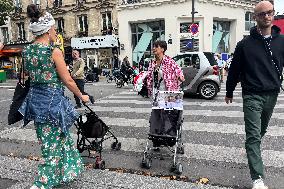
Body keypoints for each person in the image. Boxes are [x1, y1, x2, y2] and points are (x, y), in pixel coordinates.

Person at [19, 4, 89, 189]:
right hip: (53, 104)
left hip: (35, 103)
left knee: (60, 139)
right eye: (54, 27)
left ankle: (66, 172)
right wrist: (82, 95)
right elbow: (68, 80)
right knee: (52, 146)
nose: (55, 31)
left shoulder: (27, 51)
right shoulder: (53, 51)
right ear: (48, 29)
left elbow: (27, 76)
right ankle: (41, 183)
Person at [225, 1, 284, 189]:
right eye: (262, 14)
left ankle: (252, 149)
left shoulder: (282, 41)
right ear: (255, 18)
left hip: (272, 94)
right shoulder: (245, 44)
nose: (266, 16)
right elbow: (235, 69)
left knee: (260, 131)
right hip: (251, 95)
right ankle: (257, 178)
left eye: (269, 13)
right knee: (253, 135)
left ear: (273, 14)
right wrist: (229, 90)